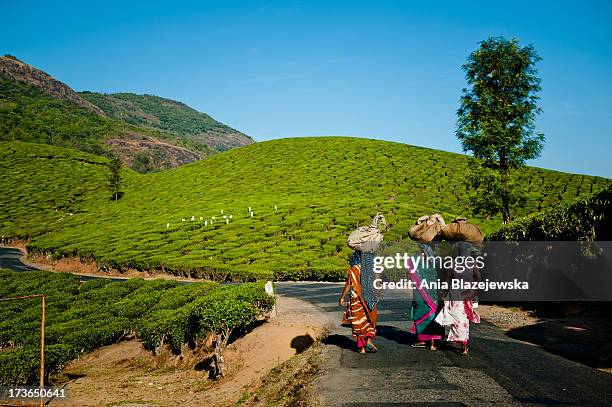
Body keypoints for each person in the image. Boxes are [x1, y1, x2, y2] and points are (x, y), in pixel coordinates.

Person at [434, 241, 481, 355]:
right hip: (466, 293)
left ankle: (460, 341)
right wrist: (473, 289)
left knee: (456, 317)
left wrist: (444, 293)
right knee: (463, 318)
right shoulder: (472, 263)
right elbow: (478, 278)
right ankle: (464, 346)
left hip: (455, 293)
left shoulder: (453, 263)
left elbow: (448, 279)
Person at [339, 251, 379, 353]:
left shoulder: (354, 269)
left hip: (356, 299)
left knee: (358, 322)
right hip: (370, 298)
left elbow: (348, 284)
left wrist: (342, 298)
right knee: (369, 320)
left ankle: (362, 348)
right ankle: (368, 341)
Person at [408, 242, 444, 350]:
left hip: (420, 294)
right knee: (434, 315)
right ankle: (434, 341)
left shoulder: (413, 260)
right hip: (435, 294)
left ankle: (423, 340)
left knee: (422, 314)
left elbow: (409, 276)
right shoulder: (438, 261)